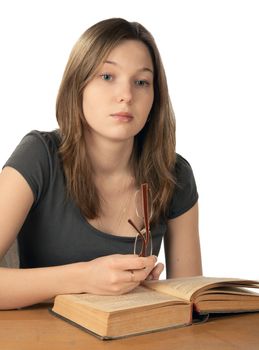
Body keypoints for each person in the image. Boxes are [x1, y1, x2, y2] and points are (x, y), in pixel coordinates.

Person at [0, 18, 202, 310]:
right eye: (107, 76)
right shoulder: (39, 155)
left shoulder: (175, 175)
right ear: (77, 85)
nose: (126, 95)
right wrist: (84, 278)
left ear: (155, 98)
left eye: (142, 82)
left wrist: (154, 294)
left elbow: (191, 303)